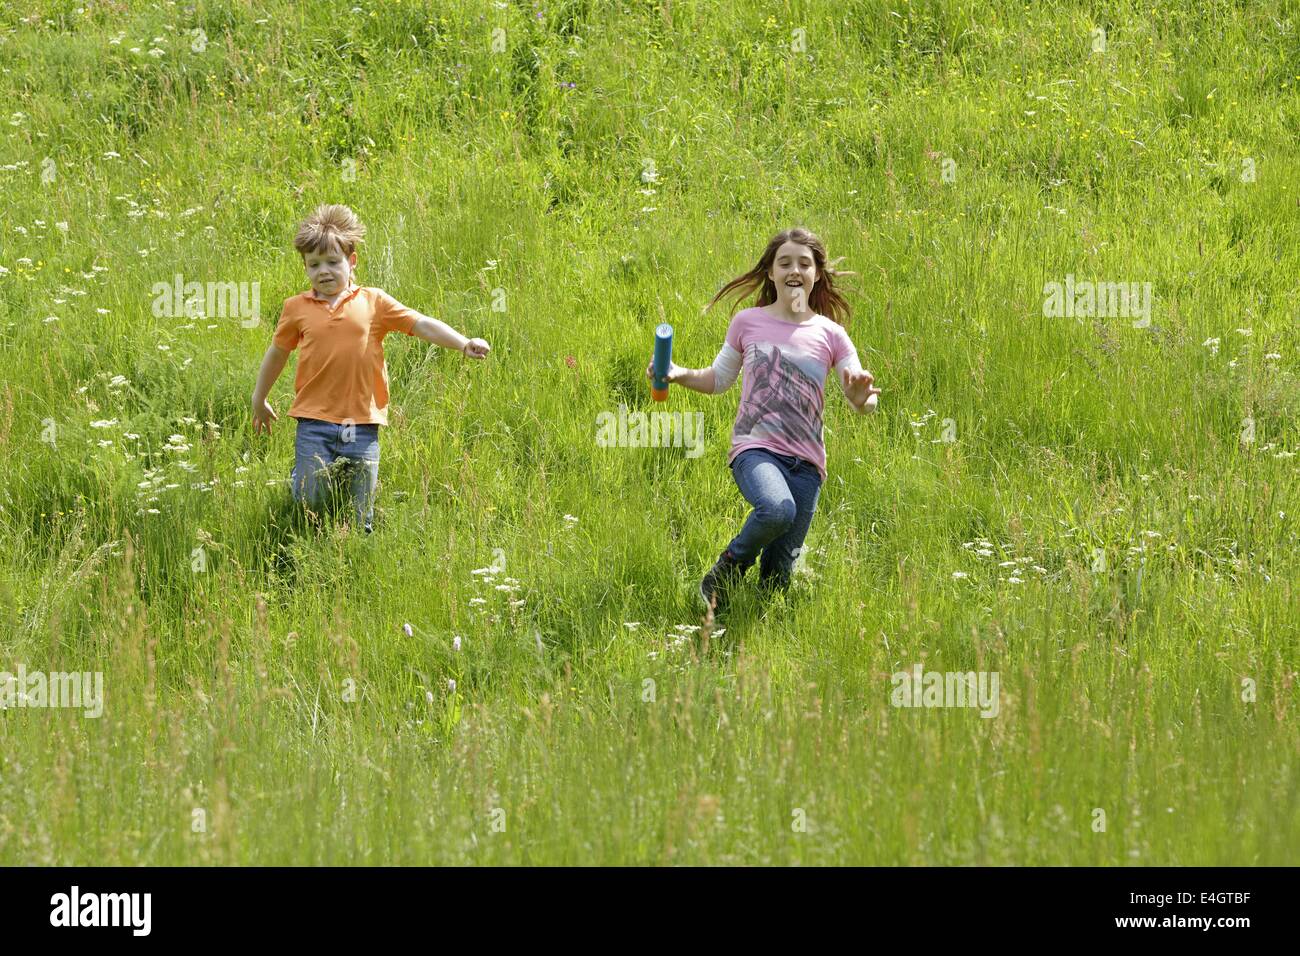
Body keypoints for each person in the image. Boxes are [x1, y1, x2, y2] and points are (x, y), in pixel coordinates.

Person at [647, 227, 880, 609]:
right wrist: (676, 373)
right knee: (777, 509)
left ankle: (743, 625)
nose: (794, 269)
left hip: (807, 465)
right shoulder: (748, 322)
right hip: (756, 450)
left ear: (816, 274)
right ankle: (728, 567)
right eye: (784, 262)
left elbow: (863, 398)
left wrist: (860, 400)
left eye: (804, 263)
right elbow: (719, 379)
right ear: (771, 272)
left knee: (776, 583)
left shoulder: (831, 334)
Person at [250, 204, 489, 533]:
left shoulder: (374, 302)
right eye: (314, 264)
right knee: (310, 503)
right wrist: (259, 398)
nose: (324, 271)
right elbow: (277, 353)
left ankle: (355, 556)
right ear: (305, 267)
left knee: (360, 515)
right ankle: (301, 494)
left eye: (333, 262)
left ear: (352, 261)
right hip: (314, 421)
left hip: (362, 424)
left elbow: (421, 324)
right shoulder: (297, 308)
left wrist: (463, 342)